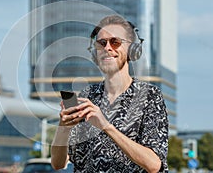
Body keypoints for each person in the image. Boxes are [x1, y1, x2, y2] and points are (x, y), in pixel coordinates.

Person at [51, 15, 168, 173]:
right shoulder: (87, 96)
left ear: (132, 50)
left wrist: (105, 125)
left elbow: (154, 165)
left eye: (115, 42)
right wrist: (63, 128)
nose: (107, 48)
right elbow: (58, 163)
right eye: (101, 43)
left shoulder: (149, 96)